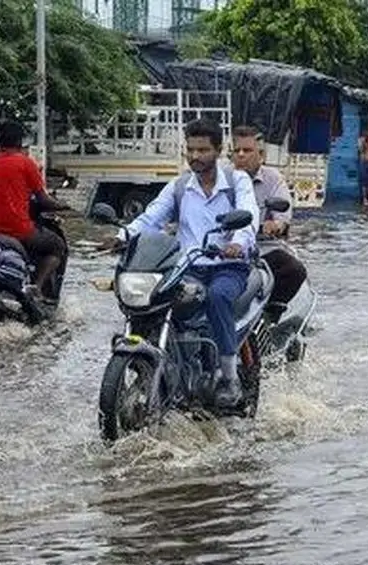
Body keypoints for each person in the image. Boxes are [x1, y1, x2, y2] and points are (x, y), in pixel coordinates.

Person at [101, 118, 260, 407]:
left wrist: (237, 243)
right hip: (188, 267)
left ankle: (228, 377)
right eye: (191, 150)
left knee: (217, 297)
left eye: (203, 150)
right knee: (155, 301)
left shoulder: (238, 181)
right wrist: (121, 236)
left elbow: (249, 215)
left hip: (228, 266)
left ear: (218, 150)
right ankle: (164, 365)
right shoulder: (180, 186)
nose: (196, 157)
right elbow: (152, 218)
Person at [0, 120, 69, 302]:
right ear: (21, 142)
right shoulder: (26, 164)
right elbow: (43, 200)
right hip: (20, 231)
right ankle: (37, 288)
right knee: (57, 247)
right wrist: (63, 205)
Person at [230, 125, 308, 324]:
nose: (241, 155)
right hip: (224, 249)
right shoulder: (221, 178)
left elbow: (283, 213)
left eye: (247, 151)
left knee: (294, 270)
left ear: (261, 155)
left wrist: (275, 225)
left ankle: (270, 314)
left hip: (260, 248)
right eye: (236, 150)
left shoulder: (272, 178)